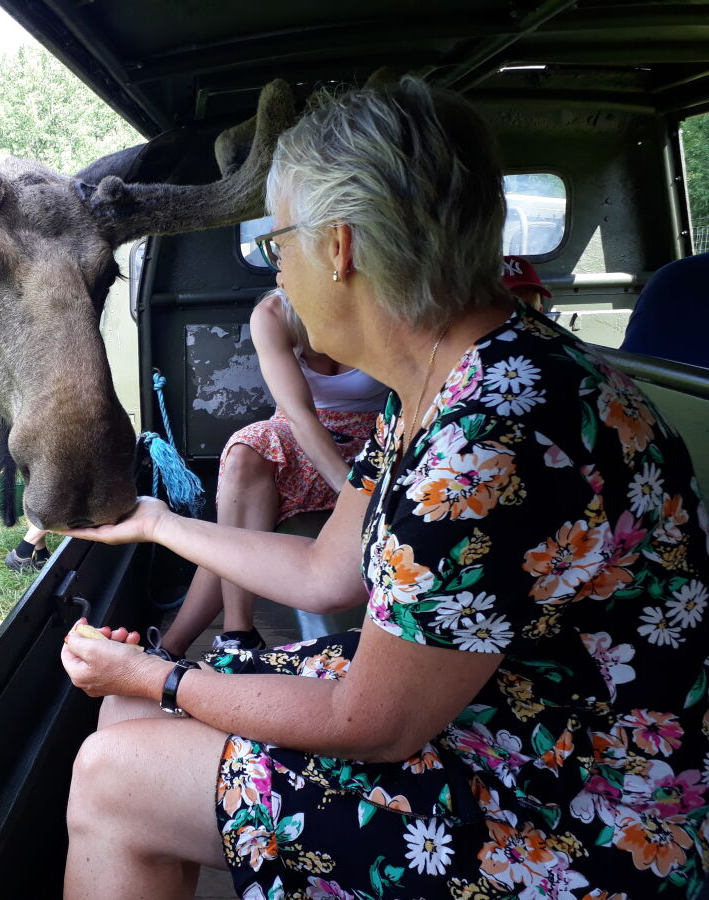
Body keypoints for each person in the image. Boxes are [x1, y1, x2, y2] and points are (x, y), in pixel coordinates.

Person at [57, 76, 709, 900]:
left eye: (276, 244)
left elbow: (372, 724)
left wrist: (160, 674)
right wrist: (156, 524)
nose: (278, 273)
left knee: (116, 772)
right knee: (128, 723)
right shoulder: (445, 381)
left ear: (339, 247)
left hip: (590, 806)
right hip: (509, 712)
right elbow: (327, 575)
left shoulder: (490, 437)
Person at [154, 288, 385, 659]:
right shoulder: (274, 314)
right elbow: (298, 413)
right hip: (301, 433)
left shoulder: (385, 302)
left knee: (232, 528)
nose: (280, 272)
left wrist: (362, 491)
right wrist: (349, 490)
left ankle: (170, 648)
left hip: (374, 434)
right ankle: (238, 632)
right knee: (247, 449)